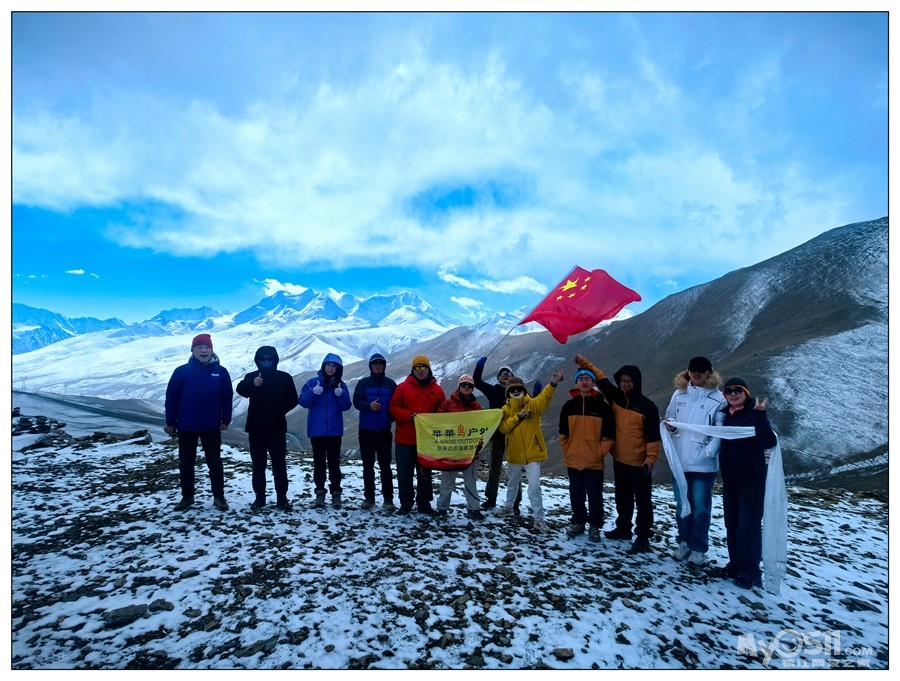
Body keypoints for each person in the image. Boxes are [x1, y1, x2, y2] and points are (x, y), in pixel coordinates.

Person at [575, 355, 661, 554]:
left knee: (643, 501)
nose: (625, 384)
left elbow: (653, 437)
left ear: (636, 382)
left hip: (640, 463)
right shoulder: (615, 397)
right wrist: (583, 362)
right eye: (622, 381)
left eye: (629, 381)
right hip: (620, 460)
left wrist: (650, 459)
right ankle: (623, 528)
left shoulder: (647, 407)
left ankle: (643, 536)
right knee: (622, 497)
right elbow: (601, 378)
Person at [662, 356, 727, 566]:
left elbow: (719, 430)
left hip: (702, 465)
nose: (696, 373)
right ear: (688, 371)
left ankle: (698, 547)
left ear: (709, 373)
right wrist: (671, 426)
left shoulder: (718, 399)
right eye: (693, 370)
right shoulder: (679, 394)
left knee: (700, 508)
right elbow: (670, 416)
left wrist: (707, 453)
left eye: (701, 370)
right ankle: (684, 542)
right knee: (683, 505)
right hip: (679, 461)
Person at [164, 333, 234, 512]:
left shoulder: (221, 372)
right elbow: (171, 397)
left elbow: (227, 398)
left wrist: (226, 419)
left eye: (207, 347)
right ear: (192, 350)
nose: (204, 350)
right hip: (186, 424)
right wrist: (171, 422)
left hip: (212, 425)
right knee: (186, 462)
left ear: (212, 350)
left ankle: (219, 497)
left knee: (215, 462)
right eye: (199, 347)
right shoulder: (181, 371)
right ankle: (187, 497)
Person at [719, 377, 777, 589]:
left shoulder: (755, 413)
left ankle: (751, 572)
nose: (733, 394)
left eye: (738, 390)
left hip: (751, 481)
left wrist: (761, 415)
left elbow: (768, 441)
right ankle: (735, 564)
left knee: (748, 527)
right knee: (732, 524)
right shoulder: (727, 415)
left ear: (746, 393)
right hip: (731, 480)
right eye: (729, 391)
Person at [495, 372, 563, 534]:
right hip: (514, 453)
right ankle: (508, 507)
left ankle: (539, 519)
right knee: (512, 483)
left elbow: (545, 397)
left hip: (533, 454)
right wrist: (518, 417)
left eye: (519, 388)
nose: (516, 391)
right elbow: (503, 428)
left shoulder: (533, 405)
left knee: (534, 487)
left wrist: (553, 383)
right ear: (508, 392)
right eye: (512, 389)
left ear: (524, 390)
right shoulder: (505, 409)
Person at [235, 346, 299, 510]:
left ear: (275, 360)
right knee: (258, 465)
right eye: (262, 359)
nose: (266, 362)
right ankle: (260, 498)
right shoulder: (252, 377)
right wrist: (253, 383)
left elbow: (293, 399)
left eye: (269, 359)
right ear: (257, 360)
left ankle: (282, 498)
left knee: (279, 465)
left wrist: (279, 410)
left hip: (277, 428)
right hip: (256, 429)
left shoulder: (284, 378)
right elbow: (241, 390)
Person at [558, 367, 616, 541]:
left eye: (587, 379)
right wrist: (568, 450)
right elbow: (563, 433)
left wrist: (599, 453)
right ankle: (578, 522)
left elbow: (609, 435)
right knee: (576, 493)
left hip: (594, 461)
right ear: (576, 383)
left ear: (593, 382)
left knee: (595, 495)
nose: (584, 382)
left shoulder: (602, 407)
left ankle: (595, 525)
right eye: (581, 379)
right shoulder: (569, 406)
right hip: (573, 460)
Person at [389, 354, 445, 516]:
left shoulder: (437, 390)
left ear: (429, 369)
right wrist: (408, 415)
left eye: (423, 367)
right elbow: (393, 408)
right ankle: (406, 504)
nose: (420, 371)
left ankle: (424, 504)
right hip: (404, 439)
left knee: (425, 474)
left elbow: (442, 411)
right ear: (413, 370)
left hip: (426, 440)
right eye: (417, 368)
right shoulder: (402, 388)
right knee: (404, 473)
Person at [299, 353, 352, 509]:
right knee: (319, 463)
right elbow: (303, 402)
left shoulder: (341, 385)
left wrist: (341, 395)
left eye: (334, 366)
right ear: (323, 366)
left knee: (334, 463)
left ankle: (336, 493)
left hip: (334, 431)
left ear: (338, 369)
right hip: (317, 430)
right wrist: (313, 392)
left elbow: (346, 406)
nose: (330, 368)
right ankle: (320, 492)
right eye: (328, 365)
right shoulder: (312, 383)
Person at [434, 374, 487, 521]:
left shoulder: (477, 406)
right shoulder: (447, 404)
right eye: (464, 385)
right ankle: (442, 509)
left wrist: (479, 445)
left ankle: (474, 509)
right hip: (451, 451)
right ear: (459, 386)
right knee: (447, 482)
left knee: (471, 482)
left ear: (473, 388)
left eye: (470, 385)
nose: (466, 387)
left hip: (470, 451)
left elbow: (482, 427)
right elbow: (437, 421)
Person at [472, 358, 521, 512]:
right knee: (494, 468)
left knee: (514, 470)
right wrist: (479, 367)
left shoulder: (518, 392)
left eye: (508, 373)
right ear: (498, 377)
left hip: (514, 436)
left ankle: (515, 502)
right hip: (498, 435)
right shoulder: (493, 390)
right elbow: (477, 382)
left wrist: (539, 393)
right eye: (502, 373)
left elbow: (532, 404)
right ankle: (491, 499)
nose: (505, 375)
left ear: (513, 376)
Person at [352, 353, 398, 510]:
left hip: (384, 431)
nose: (378, 366)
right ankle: (369, 497)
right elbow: (357, 401)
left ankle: (388, 499)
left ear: (384, 366)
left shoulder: (390, 384)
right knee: (368, 466)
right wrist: (369, 406)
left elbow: (396, 404)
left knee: (385, 466)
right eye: (375, 363)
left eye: (380, 363)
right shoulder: (363, 383)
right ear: (370, 366)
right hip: (366, 431)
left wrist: (390, 418)